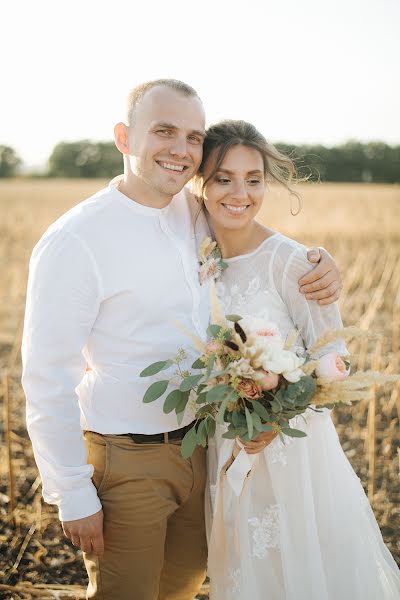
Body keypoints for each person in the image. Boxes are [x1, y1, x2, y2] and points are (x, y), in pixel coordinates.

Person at [22, 80, 342, 600]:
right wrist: (72, 493)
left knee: (181, 589)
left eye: (193, 137)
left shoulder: (192, 215)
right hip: (127, 460)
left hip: (202, 449)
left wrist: (319, 264)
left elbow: (254, 248)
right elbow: (45, 377)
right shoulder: (75, 241)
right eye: (164, 131)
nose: (181, 149)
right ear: (124, 137)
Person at [193, 119, 400, 599]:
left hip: (290, 455)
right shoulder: (196, 251)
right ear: (200, 182)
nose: (240, 193)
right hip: (226, 450)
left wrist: (277, 413)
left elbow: (333, 355)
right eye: (223, 178)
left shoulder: (293, 263)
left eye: (254, 179)